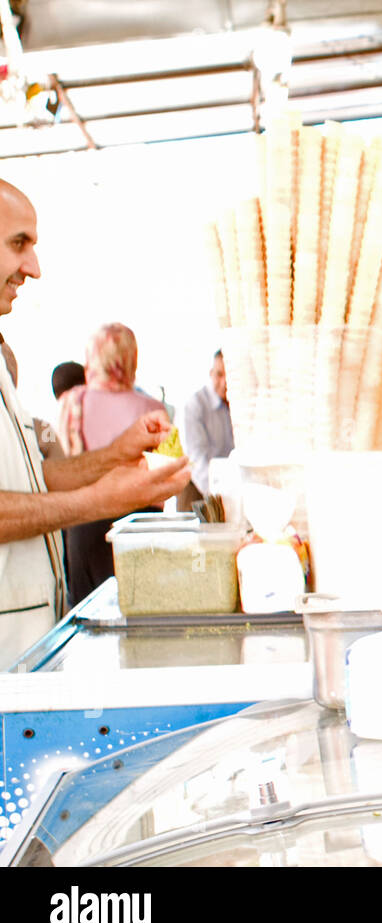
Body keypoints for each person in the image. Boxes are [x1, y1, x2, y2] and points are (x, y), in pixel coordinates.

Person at [0, 178, 191, 666]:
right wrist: (101, 498)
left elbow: (31, 480)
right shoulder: (150, 402)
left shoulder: (11, 363)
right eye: (18, 244)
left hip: (29, 644)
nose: (34, 268)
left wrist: (113, 456)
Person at [57, 323, 170, 605]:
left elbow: (62, 465)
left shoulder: (72, 402)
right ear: (132, 357)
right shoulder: (152, 408)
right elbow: (166, 475)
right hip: (142, 526)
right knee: (143, 611)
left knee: (88, 617)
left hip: (85, 520)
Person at [179, 349, 233, 513]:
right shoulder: (195, 405)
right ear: (211, 373)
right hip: (198, 490)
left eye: (229, 375)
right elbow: (197, 461)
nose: (224, 382)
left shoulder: (239, 404)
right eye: (219, 375)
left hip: (230, 491)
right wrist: (223, 501)